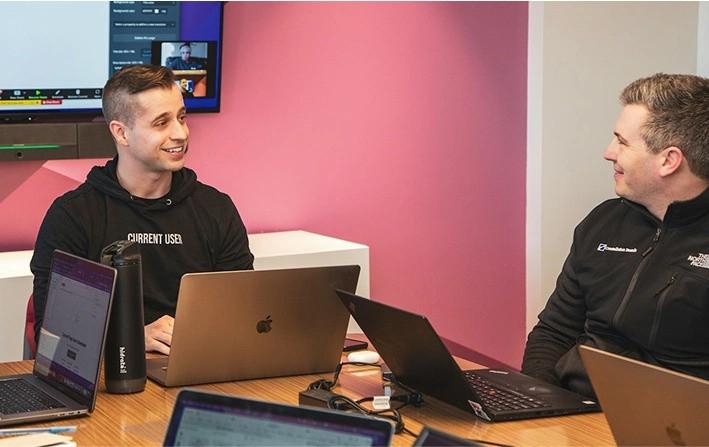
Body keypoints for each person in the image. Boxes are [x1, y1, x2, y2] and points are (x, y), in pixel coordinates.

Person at [30, 65, 253, 355]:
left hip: (199, 364)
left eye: (181, 118)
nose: (180, 133)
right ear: (121, 133)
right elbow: (52, 335)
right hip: (111, 372)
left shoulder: (216, 209)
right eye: (161, 123)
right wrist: (132, 339)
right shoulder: (73, 216)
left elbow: (243, 315)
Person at [522, 73, 709, 398]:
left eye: (622, 142)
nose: (609, 152)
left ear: (669, 160)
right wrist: (536, 401)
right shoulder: (603, 222)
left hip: (667, 420)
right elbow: (554, 333)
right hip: (573, 408)